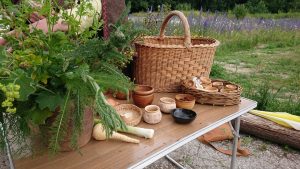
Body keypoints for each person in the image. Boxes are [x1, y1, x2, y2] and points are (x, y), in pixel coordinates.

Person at [0, 0, 126, 46]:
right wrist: (29, 7)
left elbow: (97, 6)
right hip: (42, 46)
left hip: (88, 49)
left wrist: (57, 22)